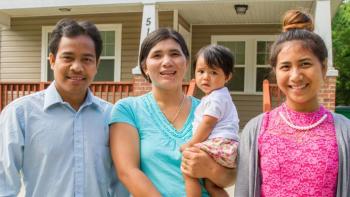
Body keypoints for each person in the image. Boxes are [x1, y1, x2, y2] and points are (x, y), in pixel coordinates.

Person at [0, 18, 129, 197]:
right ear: (52, 60)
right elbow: (4, 183)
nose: (77, 67)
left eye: (87, 59)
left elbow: (121, 183)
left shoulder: (112, 116)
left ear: (97, 64)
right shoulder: (20, 114)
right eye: (68, 57)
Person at [234, 10, 350, 197]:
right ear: (275, 72)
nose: (295, 76)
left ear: (323, 66)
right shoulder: (256, 129)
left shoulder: (344, 131)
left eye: (305, 64)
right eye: (286, 67)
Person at [109, 28, 236, 197]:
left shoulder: (209, 111)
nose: (167, 61)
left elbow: (230, 176)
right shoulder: (128, 109)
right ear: (144, 67)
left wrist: (210, 169)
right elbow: (128, 172)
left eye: (175, 54)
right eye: (157, 55)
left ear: (186, 63)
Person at [180, 44, 239, 197]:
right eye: (201, 71)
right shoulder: (217, 96)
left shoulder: (216, 98)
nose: (205, 77)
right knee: (212, 185)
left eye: (213, 72)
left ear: (227, 77)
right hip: (226, 145)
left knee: (188, 169)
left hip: (219, 143)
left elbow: (208, 124)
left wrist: (191, 143)